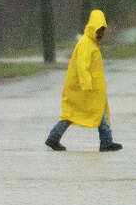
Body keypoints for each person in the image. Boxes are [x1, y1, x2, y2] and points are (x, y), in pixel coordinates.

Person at [45, 9, 123, 152]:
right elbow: (82, 66)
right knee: (76, 114)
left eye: (102, 30)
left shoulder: (91, 43)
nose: (101, 33)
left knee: (82, 113)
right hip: (85, 88)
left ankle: (54, 138)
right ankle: (105, 142)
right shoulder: (86, 44)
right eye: (99, 30)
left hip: (90, 89)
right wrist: (87, 84)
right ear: (93, 27)